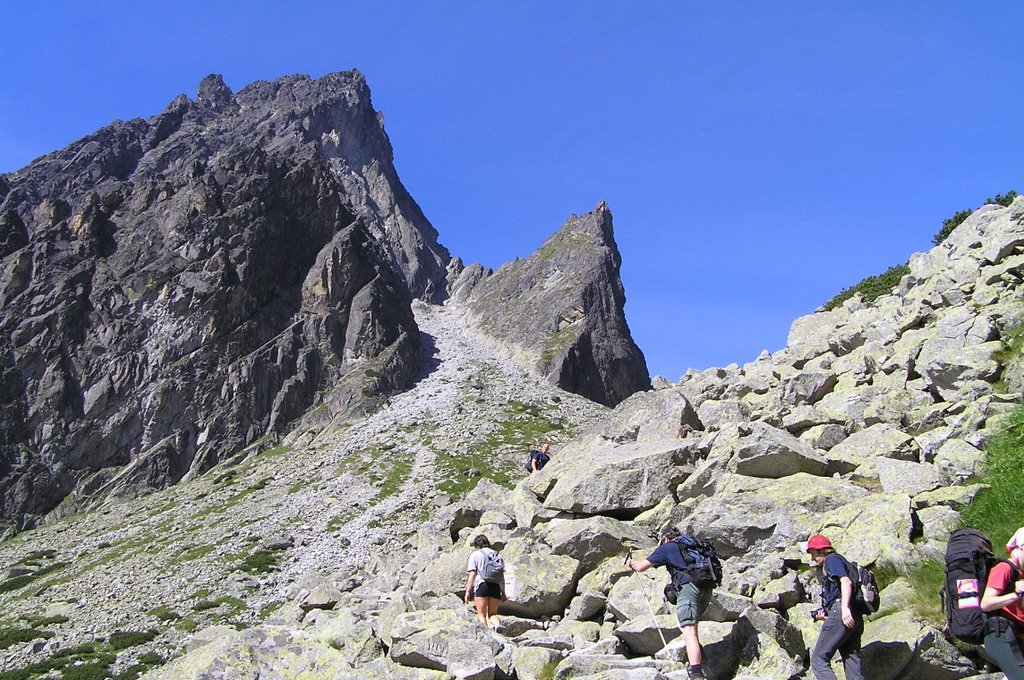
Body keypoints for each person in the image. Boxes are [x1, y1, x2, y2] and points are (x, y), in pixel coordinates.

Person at [628, 528, 713, 679]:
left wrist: (630, 561)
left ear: (665, 538)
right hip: (706, 588)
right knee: (693, 626)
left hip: (688, 588)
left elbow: (640, 567)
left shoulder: (667, 547)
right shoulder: (692, 546)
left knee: (689, 631)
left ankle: (696, 674)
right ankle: (700, 662)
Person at [806, 534, 864, 680]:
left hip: (842, 612)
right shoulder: (842, 561)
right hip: (855, 617)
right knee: (852, 662)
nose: (812, 558)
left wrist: (844, 609)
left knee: (819, 660)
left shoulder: (832, 559)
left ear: (821, 550)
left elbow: (845, 582)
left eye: (812, 553)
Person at [980, 527, 1024, 679]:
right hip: (1000, 635)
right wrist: (1016, 595)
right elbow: (986, 603)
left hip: (1017, 637)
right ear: (1020, 547)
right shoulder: (1004, 568)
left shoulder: (1021, 574)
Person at [465, 534, 506, 630]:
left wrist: (468, 591)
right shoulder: (497, 555)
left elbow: (473, 574)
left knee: (481, 614)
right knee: (492, 614)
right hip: (495, 586)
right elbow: (501, 576)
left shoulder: (476, 554)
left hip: (482, 585)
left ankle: (485, 635)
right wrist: (503, 592)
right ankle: (497, 625)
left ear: (477, 545)